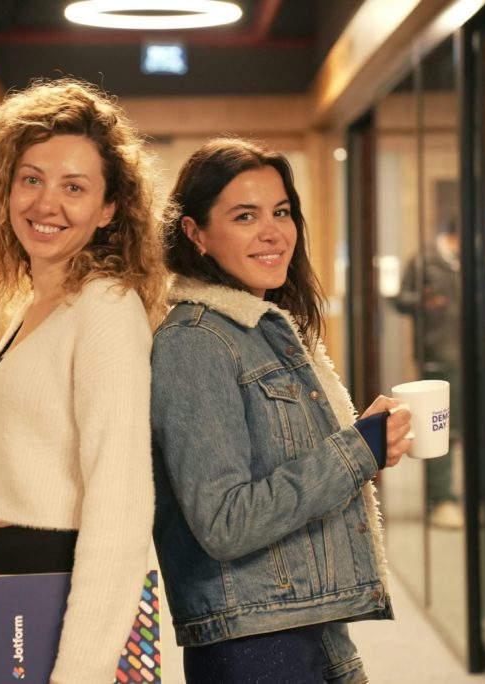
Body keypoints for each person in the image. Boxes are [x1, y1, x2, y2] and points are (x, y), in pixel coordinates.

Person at [0, 79, 168, 683]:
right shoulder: (35, 303)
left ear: (108, 210)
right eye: (32, 178)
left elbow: (121, 500)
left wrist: (83, 669)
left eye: (74, 187)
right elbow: (57, 461)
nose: (46, 203)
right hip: (23, 564)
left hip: (73, 580)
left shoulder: (105, 307)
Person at [150, 137, 412, 683]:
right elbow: (223, 521)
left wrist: (366, 439)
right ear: (195, 233)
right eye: (245, 216)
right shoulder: (196, 341)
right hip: (254, 646)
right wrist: (357, 450)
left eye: (282, 212)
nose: (273, 232)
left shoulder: (258, 330)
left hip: (299, 624)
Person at [392, 220, 463, 529]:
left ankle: (463, 498)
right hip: (437, 355)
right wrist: (424, 302)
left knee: (462, 430)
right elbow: (400, 299)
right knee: (438, 429)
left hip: (469, 357)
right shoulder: (423, 261)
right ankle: (440, 500)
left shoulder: (471, 261)